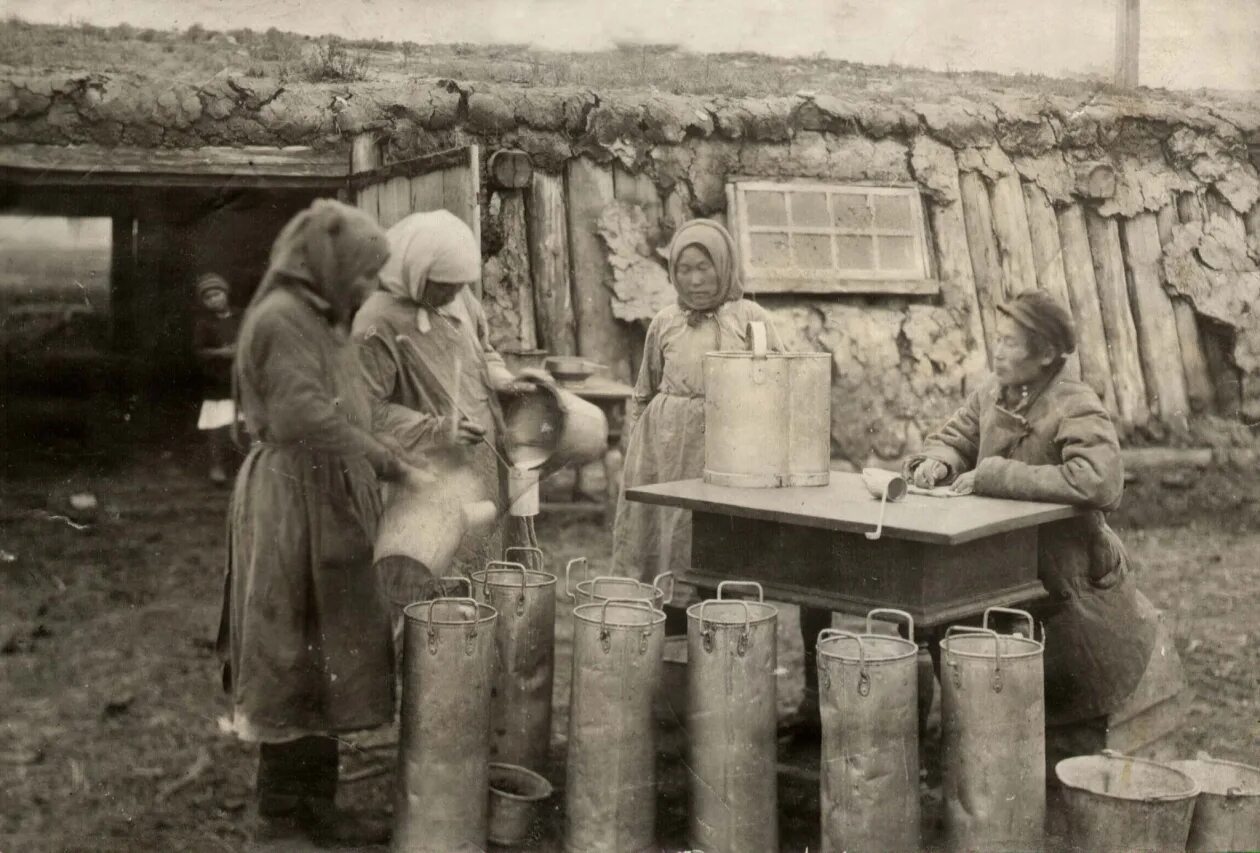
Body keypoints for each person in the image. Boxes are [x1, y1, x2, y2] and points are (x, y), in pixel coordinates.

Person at [216, 199, 419, 847]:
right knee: (289, 643)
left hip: (326, 495)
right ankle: (280, 810)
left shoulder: (326, 319)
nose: (368, 288)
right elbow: (304, 416)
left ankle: (316, 801)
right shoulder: (281, 319)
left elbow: (348, 409)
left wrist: (387, 454)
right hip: (289, 501)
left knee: (329, 643)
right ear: (330, 264)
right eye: (362, 273)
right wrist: (389, 463)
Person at [904, 289, 1162, 772]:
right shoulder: (993, 392)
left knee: (1063, 688)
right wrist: (939, 462)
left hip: (1066, 572)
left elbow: (1100, 481)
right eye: (996, 340)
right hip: (998, 564)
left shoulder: (1074, 403)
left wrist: (996, 475)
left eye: (1009, 343)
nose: (996, 352)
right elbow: (958, 435)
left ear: (1045, 354)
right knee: (985, 664)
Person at [354, 209, 540, 608]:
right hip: (423, 472)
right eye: (443, 287)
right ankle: (430, 665)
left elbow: (483, 351)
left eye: (459, 286)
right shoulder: (376, 322)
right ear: (417, 271)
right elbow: (364, 409)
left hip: (482, 462)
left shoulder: (461, 301)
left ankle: (479, 661)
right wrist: (437, 429)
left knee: (487, 577)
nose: (452, 296)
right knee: (428, 584)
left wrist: (504, 380)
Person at [192, 273, 240, 485]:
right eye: (208, 297)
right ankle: (217, 466)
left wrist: (241, 350)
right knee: (217, 425)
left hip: (242, 377)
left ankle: (244, 467)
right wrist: (221, 353)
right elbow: (199, 351)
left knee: (244, 423)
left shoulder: (243, 316)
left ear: (226, 294)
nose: (214, 299)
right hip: (218, 380)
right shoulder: (204, 324)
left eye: (217, 294)